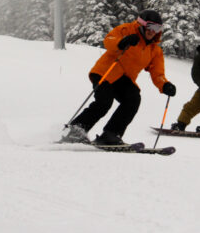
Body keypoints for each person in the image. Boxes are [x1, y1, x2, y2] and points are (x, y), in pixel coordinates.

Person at [62, 10, 177, 145]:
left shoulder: (154, 50)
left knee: (133, 98)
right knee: (104, 102)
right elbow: (108, 40)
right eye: (151, 26)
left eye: (158, 28)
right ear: (142, 24)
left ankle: (111, 134)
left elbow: (157, 73)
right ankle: (76, 131)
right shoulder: (127, 30)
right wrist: (121, 42)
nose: (153, 31)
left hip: (123, 79)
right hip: (105, 72)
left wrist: (164, 85)